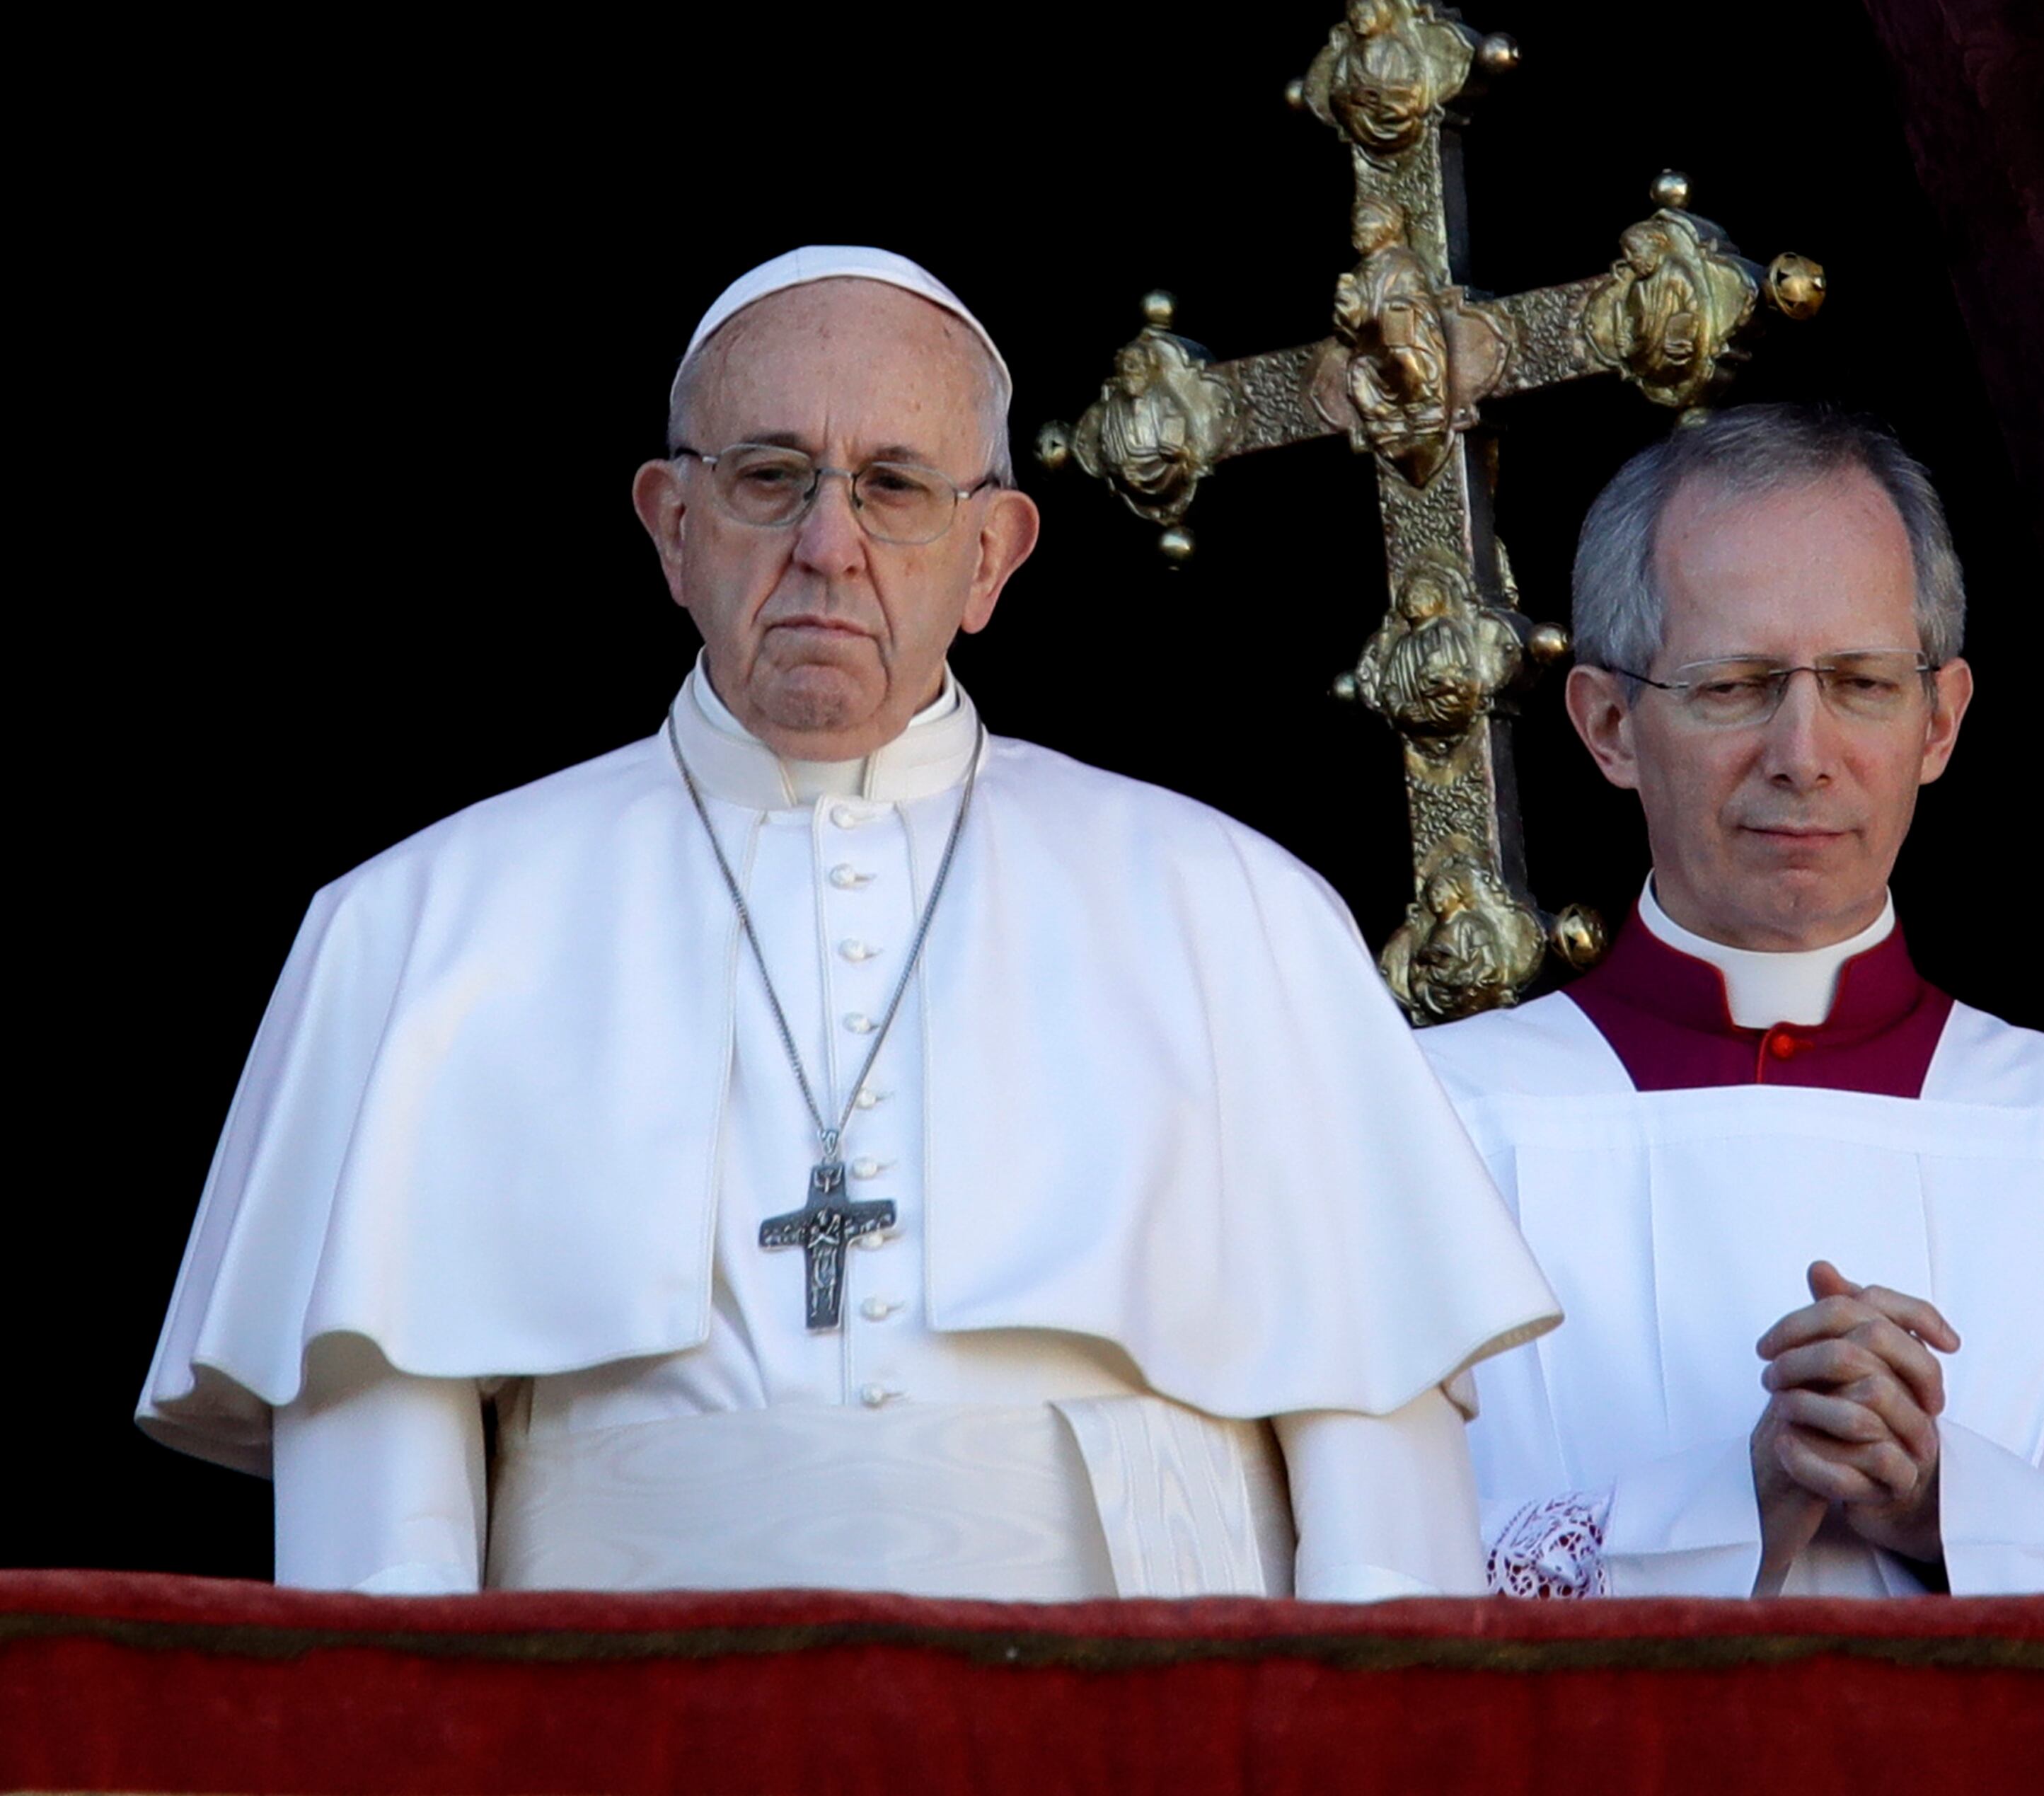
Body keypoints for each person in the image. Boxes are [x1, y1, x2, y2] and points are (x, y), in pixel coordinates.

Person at [142, 246, 1559, 1602]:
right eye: (769, 478)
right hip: (620, 1742)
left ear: (993, 553)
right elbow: (377, 1576)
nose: (829, 545)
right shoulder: (425, 930)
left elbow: (1385, 1542)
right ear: (670, 528)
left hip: (1131, 1741)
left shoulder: (1235, 915)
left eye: (894, 487)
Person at [1421, 403, 2044, 1599]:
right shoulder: (1426, 1134)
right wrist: (1725, 1504)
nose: (1804, 749)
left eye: (1861, 683)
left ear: (1939, 720)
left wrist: (1952, 1508)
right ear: (1610, 724)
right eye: (1737, 684)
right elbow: (1315, 1601)